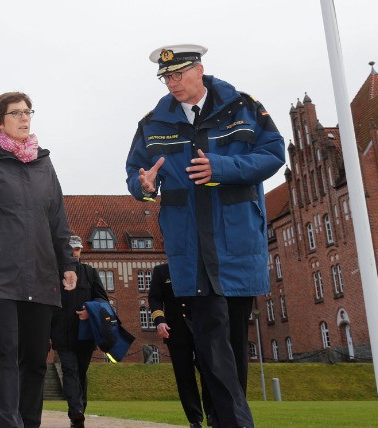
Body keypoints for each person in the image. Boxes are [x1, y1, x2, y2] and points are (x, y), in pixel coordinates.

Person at [125, 44, 285, 428]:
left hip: (236, 240)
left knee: (231, 344)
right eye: (166, 77)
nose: (171, 83)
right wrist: (143, 185)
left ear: (199, 69)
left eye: (178, 74)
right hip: (189, 245)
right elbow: (136, 173)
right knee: (212, 340)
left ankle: (221, 417)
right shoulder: (153, 123)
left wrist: (223, 166)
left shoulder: (243, 108)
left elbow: (274, 154)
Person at [0, 91, 78, 428]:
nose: (25, 118)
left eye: (28, 112)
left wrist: (67, 263)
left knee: (36, 359)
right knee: (3, 354)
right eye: (17, 113)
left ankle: (28, 422)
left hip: (39, 272)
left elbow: (57, 217)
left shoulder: (44, 162)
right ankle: (9, 423)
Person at [50, 235, 109, 428]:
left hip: (85, 333)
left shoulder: (90, 273)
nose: (74, 253)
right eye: (71, 250)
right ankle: (76, 412)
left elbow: (102, 300)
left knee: (81, 372)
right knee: (69, 370)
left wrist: (89, 311)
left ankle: (80, 409)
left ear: (81, 251)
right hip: (61, 332)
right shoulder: (54, 273)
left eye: (77, 249)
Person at [148, 263, 211, 428]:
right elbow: (154, 298)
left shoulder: (199, 265)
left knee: (209, 370)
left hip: (201, 327)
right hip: (175, 330)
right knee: (184, 375)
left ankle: (212, 412)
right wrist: (159, 321)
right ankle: (194, 419)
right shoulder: (162, 271)